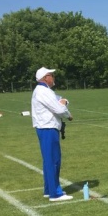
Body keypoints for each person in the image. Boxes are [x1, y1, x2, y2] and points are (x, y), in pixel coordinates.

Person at [31, 67, 74, 202]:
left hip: (46, 128)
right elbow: (59, 108)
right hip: (48, 128)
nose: (53, 77)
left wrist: (64, 103)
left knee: (49, 160)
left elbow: (60, 100)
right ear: (45, 78)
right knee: (53, 160)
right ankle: (55, 193)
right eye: (51, 75)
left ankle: (49, 189)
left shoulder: (44, 91)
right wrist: (68, 113)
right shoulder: (43, 91)